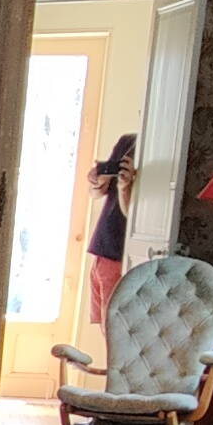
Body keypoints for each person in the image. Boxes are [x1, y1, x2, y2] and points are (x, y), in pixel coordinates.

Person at [83, 133, 137, 326]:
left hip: (119, 255)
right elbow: (97, 192)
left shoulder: (154, 150)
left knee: (114, 330)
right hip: (102, 250)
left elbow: (133, 215)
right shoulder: (128, 142)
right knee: (105, 326)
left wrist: (125, 187)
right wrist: (97, 182)